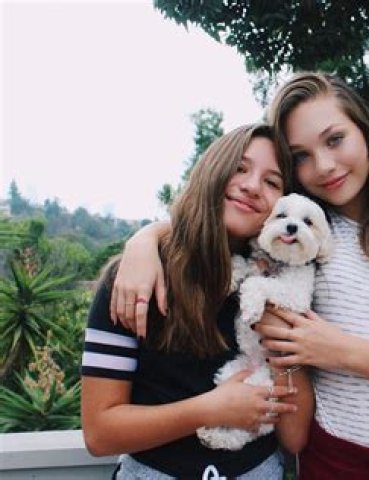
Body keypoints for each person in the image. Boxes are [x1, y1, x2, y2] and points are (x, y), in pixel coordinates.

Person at [112, 72, 369, 479]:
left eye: (335, 139)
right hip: (333, 465)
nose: (324, 166)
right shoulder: (300, 239)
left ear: (366, 133)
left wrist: (340, 350)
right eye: (300, 157)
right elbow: (214, 225)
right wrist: (145, 240)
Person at [81, 124, 314, 480]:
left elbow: (294, 437)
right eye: (240, 168)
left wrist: (280, 338)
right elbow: (100, 433)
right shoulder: (135, 280)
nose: (252, 186)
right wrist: (209, 410)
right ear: (212, 170)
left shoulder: (279, 288)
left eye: (272, 182)